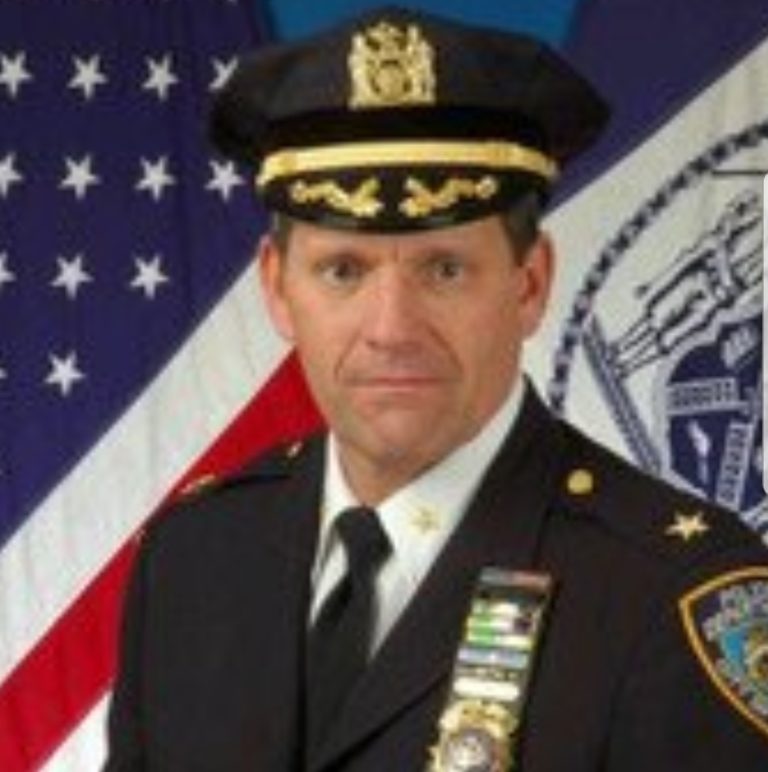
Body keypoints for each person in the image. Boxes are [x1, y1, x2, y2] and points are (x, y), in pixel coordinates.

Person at [104, 6, 768, 771]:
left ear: (530, 283)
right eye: (343, 271)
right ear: (278, 290)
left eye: (444, 269)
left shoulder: (672, 591)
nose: (391, 328)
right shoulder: (192, 558)